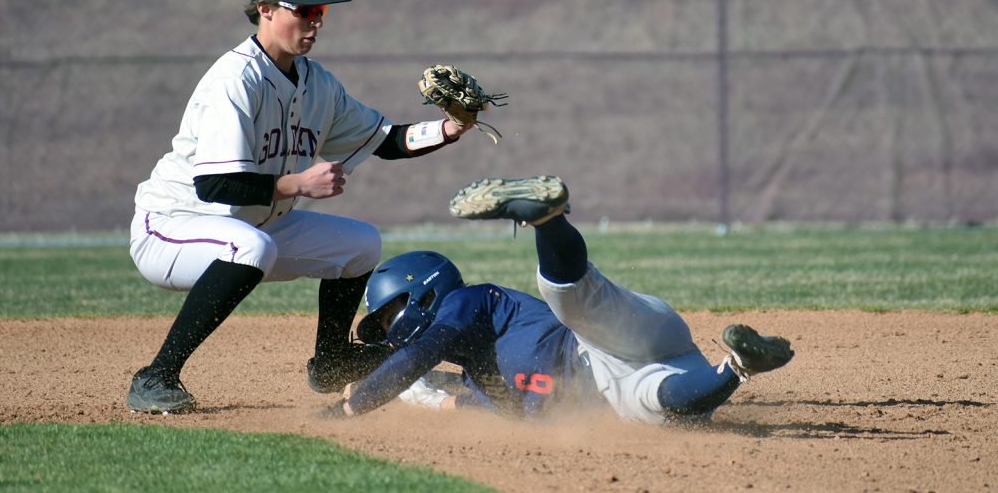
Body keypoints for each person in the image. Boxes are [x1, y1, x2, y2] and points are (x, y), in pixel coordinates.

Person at [126, 0, 476, 414]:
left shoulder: (318, 85)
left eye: (321, 10)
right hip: (173, 224)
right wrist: (295, 184)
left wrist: (451, 129)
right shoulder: (234, 81)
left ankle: (331, 361)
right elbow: (214, 187)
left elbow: (387, 139)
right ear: (265, 10)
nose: (316, 21)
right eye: (305, 10)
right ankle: (157, 376)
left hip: (252, 225)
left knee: (360, 245)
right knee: (251, 249)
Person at [328, 176, 794, 423]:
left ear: (425, 291)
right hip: (610, 384)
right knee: (659, 406)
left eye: (389, 315)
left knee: (569, 302)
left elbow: (416, 357)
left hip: (600, 339)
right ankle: (739, 364)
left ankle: (547, 218)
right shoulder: (477, 375)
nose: (389, 330)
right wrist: (437, 396)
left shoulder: (466, 303)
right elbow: (489, 402)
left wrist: (348, 409)